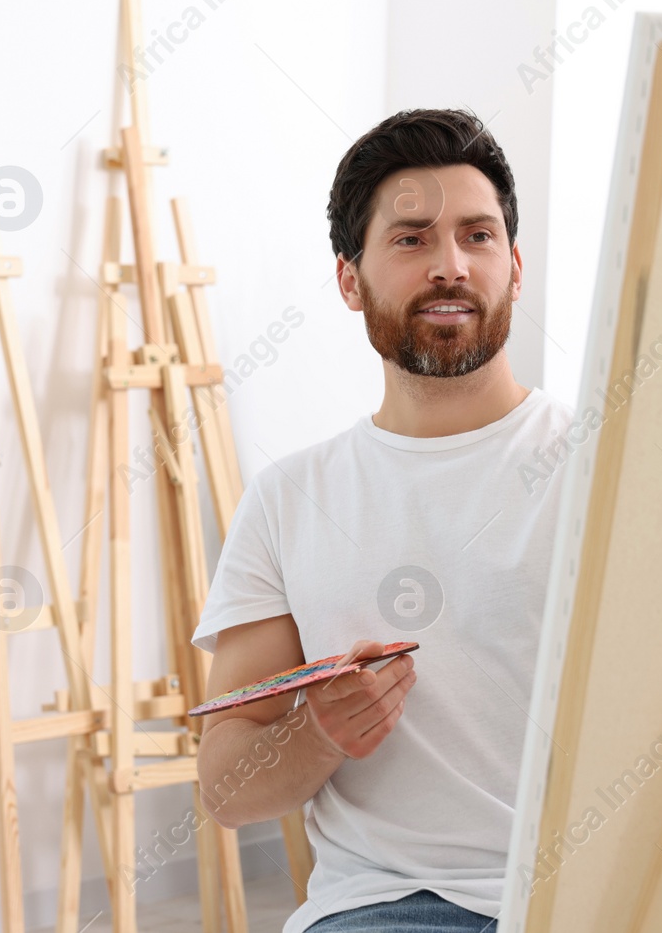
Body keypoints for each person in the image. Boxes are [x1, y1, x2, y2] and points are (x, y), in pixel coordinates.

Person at [191, 107, 575, 932]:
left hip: (591, 891)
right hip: (392, 907)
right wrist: (316, 731)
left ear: (514, 265)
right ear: (349, 277)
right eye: (410, 239)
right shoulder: (289, 499)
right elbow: (226, 784)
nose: (450, 265)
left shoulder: (601, 466)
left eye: (477, 236)